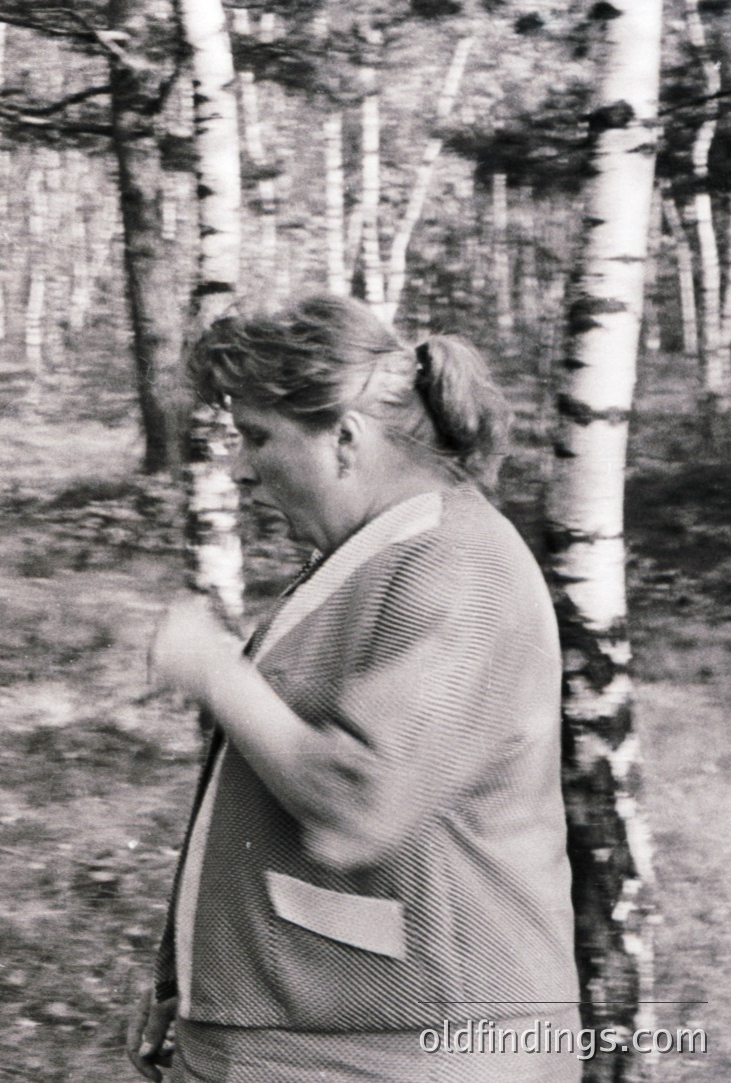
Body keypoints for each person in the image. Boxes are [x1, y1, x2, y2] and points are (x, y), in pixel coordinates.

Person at [127, 295, 581, 1083]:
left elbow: (357, 801)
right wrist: (196, 983)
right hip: (312, 1026)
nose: (238, 467)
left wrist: (214, 670)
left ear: (343, 436)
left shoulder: (459, 567)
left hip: (405, 1045)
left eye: (255, 437)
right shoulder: (377, 551)